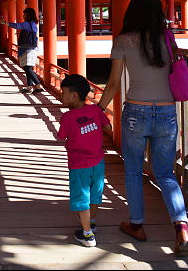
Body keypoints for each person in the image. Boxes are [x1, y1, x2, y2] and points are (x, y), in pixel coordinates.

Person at [95, 0, 188, 257]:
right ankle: (181, 225)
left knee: (133, 171)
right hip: (166, 112)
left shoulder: (123, 41)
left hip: (136, 111)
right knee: (166, 173)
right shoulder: (168, 40)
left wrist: (99, 109)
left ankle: (136, 225)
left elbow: (113, 83)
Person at [55, 74, 112, 247]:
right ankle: (91, 223)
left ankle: (87, 235)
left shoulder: (67, 118)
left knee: (81, 197)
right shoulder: (95, 110)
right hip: (98, 161)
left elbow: (61, 137)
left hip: (79, 165)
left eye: (63, 92)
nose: (60, 94)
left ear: (74, 95)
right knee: (95, 194)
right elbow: (108, 127)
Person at [0, 7, 42, 94]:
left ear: (28, 15)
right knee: (28, 68)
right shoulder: (33, 24)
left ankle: (38, 85)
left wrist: (5, 22)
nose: (23, 16)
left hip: (28, 49)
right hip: (32, 47)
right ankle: (29, 87)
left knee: (27, 68)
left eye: (25, 14)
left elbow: (16, 25)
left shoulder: (27, 24)